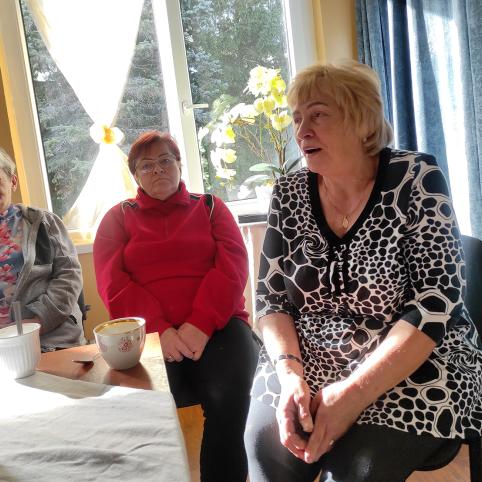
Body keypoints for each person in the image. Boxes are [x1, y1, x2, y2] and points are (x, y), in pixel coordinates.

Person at [243, 61, 482, 482]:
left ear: (362, 122)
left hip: (407, 362)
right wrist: (289, 374)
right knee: (267, 448)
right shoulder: (288, 192)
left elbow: (435, 303)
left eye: (318, 115)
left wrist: (353, 394)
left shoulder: (416, 177)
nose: (302, 130)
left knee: (357, 468)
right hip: (307, 357)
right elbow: (271, 299)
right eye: (297, 119)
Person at [93, 130, 259, 482]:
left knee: (227, 396)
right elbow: (112, 283)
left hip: (221, 325)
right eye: (146, 165)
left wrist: (201, 323)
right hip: (149, 335)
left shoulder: (211, 207)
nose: (158, 170)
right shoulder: (117, 218)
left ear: (180, 165)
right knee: (136, 411)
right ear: (135, 175)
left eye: (165, 161)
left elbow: (232, 266)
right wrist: (159, 331)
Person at [0, 147, 84, 351]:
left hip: (49, 338)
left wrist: (38, 322)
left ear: (13, 181)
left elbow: (69, 276)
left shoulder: (43, 222)